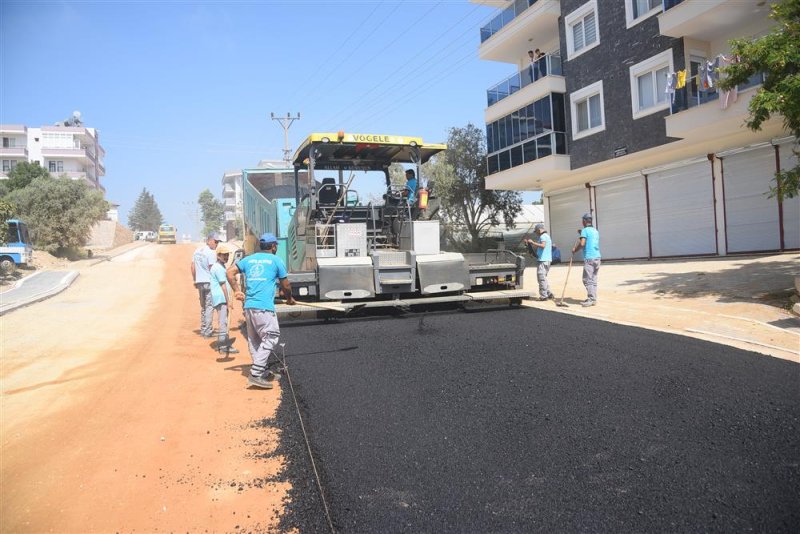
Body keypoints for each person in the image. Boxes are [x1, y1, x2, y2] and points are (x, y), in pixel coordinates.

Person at [226, 232, 296, 389]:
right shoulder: (276, 260)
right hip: (264, 307)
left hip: (249, 307)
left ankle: (262, 371)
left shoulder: (249, 259)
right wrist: (290, 299)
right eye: (276, 245)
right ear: (273, 246)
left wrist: (237, 290)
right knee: (271, 336)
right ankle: (256, 374)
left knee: (255, 340)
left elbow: (229, 272)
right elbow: (286, 286)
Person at [210, 243, 239, 355]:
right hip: (221, 298)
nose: (226, 257)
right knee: (223, 323)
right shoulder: (218, 268)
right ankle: (223, 346)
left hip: (221, 298)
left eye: (227, 255)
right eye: (223, 255)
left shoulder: (221, 267)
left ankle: (224, 344)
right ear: (218, 256)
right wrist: (228, 301)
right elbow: (223, 286)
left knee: (224, 322)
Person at [191, 233, 221, 337]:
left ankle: (203, 329)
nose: (216, 244)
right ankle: (207, 331)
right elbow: (213, 269)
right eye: (215, 241)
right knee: (209, 307)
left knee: (203, 306)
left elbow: (193, 267)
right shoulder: (211, 253)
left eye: (217, 242)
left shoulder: (197, 251)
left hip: (199, 282)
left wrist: (195, 280)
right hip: (209, 282)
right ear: (209, 240)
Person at [572, 213, 601, 307]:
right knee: (593, 279)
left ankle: (591, 299)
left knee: (587, 279)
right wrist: (582, 234)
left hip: (589, 258)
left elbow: (583, 243)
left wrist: (575, 250)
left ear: (584, 221)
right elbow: (590, 240)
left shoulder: (585, 230)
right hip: (597, 257)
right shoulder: (595, 231)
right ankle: (593, 298)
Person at [523, 223, 555, 301]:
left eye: (536, 231)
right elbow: (537, 247)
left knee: (541, 278)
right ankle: (548, 293)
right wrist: (528, 244)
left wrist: (533, 242)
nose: (536, 233)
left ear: (539, 230)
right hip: (546, 260)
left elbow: (543, 245)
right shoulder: (546, 236)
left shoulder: (543, 236)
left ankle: (544, 296)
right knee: (543, 277)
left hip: (543, 260)